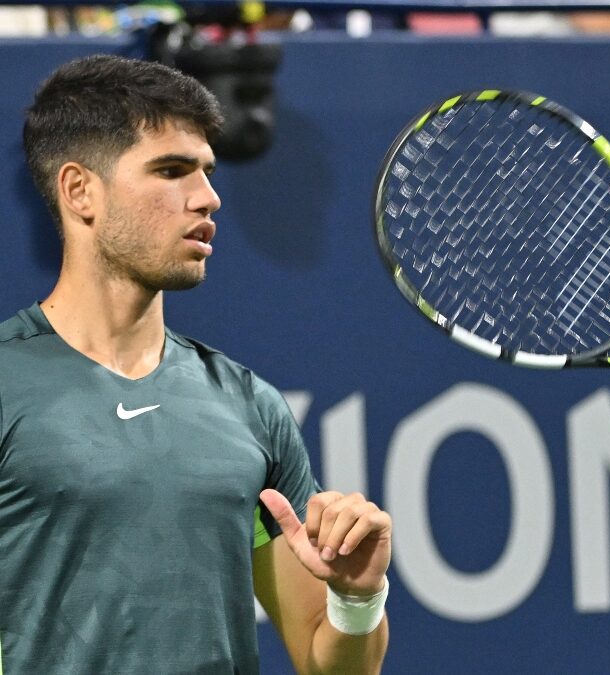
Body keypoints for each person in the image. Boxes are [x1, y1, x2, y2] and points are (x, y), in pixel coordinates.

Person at [0, 54, 391, 674]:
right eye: (171, 171)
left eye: (207, 172)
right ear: (80, 191)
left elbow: (335, 667)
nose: (207, 198)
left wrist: (356, 597)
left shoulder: (250, 407)